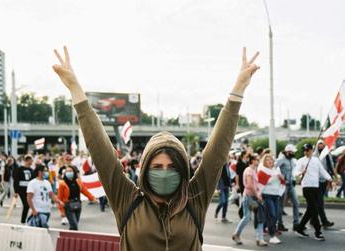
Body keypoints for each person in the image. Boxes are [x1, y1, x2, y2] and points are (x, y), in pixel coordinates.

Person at [52, 45, 260, 250]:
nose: (164, 173)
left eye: (171, 167)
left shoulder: (195, 199)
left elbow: (217, 152)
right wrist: (75, 89)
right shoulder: (126, 199)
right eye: (157, 167)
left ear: (182, 171)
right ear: (145, 169)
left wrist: (238, 91)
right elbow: (100, 150)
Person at [295, 143, 333, 241]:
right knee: (315, 210)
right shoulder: (301, 161)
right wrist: (300, 172)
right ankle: (318, 232)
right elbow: (294, 172)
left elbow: (322, 171)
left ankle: (299, 228)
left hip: (316, 187)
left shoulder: (316, 160)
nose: (306, 152)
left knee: (310, 210)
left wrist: (330, 179)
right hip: (306, 188)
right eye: (304, 150)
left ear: (312, 150)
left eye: (308, 150)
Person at [232, 154, 267, 246]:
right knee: (256, 216)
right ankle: (259, 239)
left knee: (250, 217)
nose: (258, 161)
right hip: (249, 197)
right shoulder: (249, 171)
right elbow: (250, 185)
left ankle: (238, 235)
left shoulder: (253, 170)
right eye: (257, 160)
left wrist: (258, 194)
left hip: (250, 196)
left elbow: (254, 185)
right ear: (252, 161)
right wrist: (257, 196)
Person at [57, 165, 96, 230]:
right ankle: (72, 237)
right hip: (68, 206)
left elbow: (84, 191)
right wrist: (62, 211)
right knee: (74, 225)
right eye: (67, 171)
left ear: (74, 172)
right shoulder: (62, 184)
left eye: (70, 171)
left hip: (78, 204)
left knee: (74, 225)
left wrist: (92, 198)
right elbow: (60, 198)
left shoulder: (78, 182)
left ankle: (70, 237)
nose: (69, 173)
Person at [27, 164, 63, 228]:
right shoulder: (32, 183)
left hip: (47, 211)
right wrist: (33, 210)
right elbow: (29, 198)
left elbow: (52, 195)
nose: (47, 173)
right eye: (45, 171)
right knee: (41, 229)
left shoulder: (47, 182)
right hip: (38, 211)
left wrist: (59, 202)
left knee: (43, 230)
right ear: (39, 172)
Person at [258, 154, 283, 244]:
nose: (270, 161)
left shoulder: (275, 171)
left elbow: (281, 182)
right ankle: (272, 236)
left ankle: (265, 229)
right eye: (267, 160)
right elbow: (260, 185)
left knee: (276, 215)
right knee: (271, 214)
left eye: (271, 160)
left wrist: (282, 179)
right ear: (264, 162)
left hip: (275, 195)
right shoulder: (262, 171)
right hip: (266, 195)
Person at [275, 144, 300, 231]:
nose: (294, 153)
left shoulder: (292, 160)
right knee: (281, 206)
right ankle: (279, 224)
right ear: (288, 152)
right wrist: (281, 177)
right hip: (283, 185)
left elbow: (294, 170)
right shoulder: (281, 159)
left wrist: (294, 178)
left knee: (296, 203)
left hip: (291, 185)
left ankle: (296, 224)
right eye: (293, 151)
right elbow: (274, 168)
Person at [314, 140, 335, 228]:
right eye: (319, 145)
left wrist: (332, 178)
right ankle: (324, 221)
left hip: (324, 179)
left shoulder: (327, 154)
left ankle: (313, 220)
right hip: (316, 181)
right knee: (320, 202)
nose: (321, 146)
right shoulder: (315, 156)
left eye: (322, 144)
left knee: (316, 203)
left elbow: (330, 165)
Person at [13, 155, 35, 224]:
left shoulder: (31, 170)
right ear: (27, 160)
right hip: (21, 190)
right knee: (26, 204)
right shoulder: (20, 169)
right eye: (31, 160)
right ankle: (23, 220)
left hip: (30, 190)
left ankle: (30, 219)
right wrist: (16, 191)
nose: (32, 162)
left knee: (31, 205)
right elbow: (16, 180)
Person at [234, 150, 249, 218]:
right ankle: (241, 211)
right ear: (243, 155)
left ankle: (244, 211)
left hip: (247, 182)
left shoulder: (247, 163)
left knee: (246, 197)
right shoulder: (239, 163)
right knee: (244, 197)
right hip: (241, 182)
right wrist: (237, 184)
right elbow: (237, 174)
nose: (247, 156)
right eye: (246, 155)